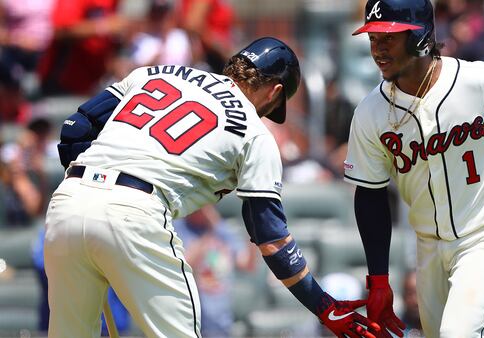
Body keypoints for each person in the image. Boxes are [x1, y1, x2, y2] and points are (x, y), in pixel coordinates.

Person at [44, 36, 380, 338]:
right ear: (275, 92)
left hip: (68, 201)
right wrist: (324, 307)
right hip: (134, 213)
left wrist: (89, 191)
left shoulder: (156, 73)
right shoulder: (255, 133)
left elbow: (76, 127)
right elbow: (272, 241)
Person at [345, 0, 484, 337]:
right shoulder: (371, 112)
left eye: (389, 37)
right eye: (373, 39)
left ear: (420, 37)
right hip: (428, 246)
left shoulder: (478, 79)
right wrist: (379, 280)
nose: (378, 49)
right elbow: (370, 195)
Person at [177, 205, 257, 337]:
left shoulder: (223, 231)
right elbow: (184, 265)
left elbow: (247, 265)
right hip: (190, 321)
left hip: (221, 322)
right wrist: (209, 232)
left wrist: (254, 235)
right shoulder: (177, 227)